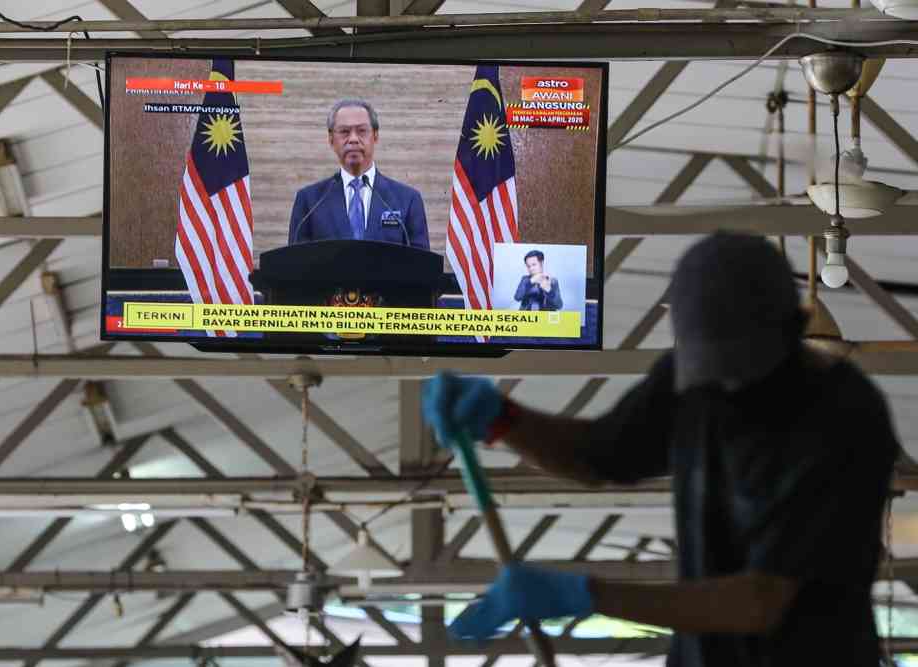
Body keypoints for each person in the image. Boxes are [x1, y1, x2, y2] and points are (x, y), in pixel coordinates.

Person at [422, 232, 899, 666]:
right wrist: (504, 420)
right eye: (713, 372)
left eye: (742, 370)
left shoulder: (844, 418)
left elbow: (761, 601)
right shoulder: (689, 381)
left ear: (795, 329)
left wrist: (585, 594)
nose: (725, 390)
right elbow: (601, 454)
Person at [288, 99, 430, 249]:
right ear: (331, 139)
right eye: (344, 132)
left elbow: (421, 266)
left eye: (362, 131)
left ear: (375, 136)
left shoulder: (407, 199)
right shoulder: (310, 201)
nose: (353, 139)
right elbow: (295, 265)